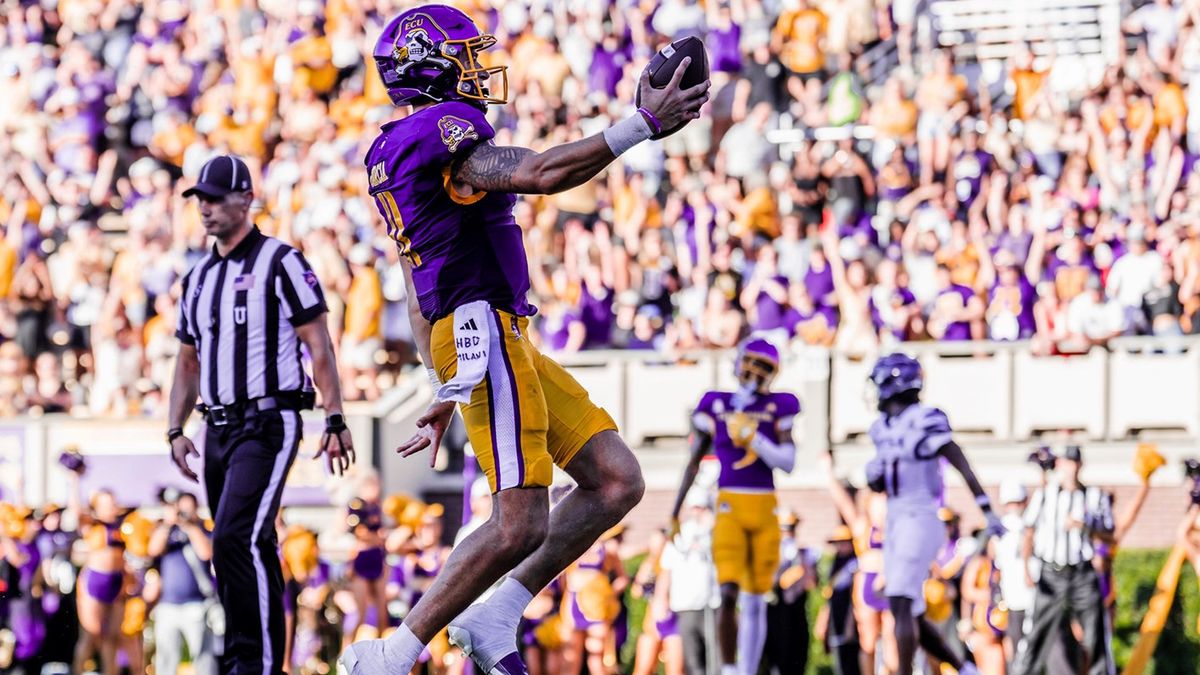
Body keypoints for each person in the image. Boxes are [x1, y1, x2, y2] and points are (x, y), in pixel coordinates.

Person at [341, 5, 707, 674]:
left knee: (616, 479)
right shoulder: (435, 130)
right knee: (520, 522)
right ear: (429, 65)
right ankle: (392, 652)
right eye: (466, 54)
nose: (480, 67)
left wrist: (444, 381)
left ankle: (497, 607)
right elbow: (538, 174)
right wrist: (640, 127)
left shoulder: (403, 147)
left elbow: (414, 283)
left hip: (491, 335)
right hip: (482, 328)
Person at [167, 154, 355, 674]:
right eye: (199, 199)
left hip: (269, 420)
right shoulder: (198, 276)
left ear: (246, 198)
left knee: (234, 537)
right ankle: (259, 660)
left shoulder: (280, 260)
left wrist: (335, 418)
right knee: (245, 543)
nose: (205, 209)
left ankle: (252, 664)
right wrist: (175, 428)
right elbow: (187, 359)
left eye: (216, 198)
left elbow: (318, 343)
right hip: (216, 424)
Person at [670, 336, 801, 675]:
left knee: (756, 598)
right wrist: (674, 510)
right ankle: (729, 669)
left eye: (764, 366)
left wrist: (754, 437)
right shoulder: (716, 402)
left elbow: (788, 462)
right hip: (728, 503)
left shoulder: (779, 405)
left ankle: (747, 668)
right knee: (727, 591)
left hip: (765, 506)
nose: (755, 372)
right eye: (752, 362)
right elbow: (693, 461)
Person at [864, 352, 1001, 675]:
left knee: (899, 601)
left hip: (920, 514)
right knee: (908, 609)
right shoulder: (882, 428)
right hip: (897, 519)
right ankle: (965, 668)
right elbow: (879, 482)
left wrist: (985, 507)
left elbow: (958, 458)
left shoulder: (925, 419)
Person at [1011, 445, 1115, 675]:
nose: (1071, 468)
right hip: (1052, 571)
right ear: (1059, 465)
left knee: (1095, 633)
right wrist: (1027, 569)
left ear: (1081, 465)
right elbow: (1028, 531)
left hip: (1082, 573)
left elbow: (1110, 536)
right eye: (1067, 462)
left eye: (1075, 462)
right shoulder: (1045, 495)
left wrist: (1084, 527)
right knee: (1037, 631)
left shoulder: (1094, 496)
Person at [145, 489, 218, 675]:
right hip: (167, 604)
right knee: (167, 657)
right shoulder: (167, 531)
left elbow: (206, 553)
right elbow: (152, 550)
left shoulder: (203, 530)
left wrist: (190, 526)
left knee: (202, 656)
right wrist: (168, 524)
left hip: (197, 604)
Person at [765, 509, 818, 675]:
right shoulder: (770, 555)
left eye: (791, 529)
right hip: (776, 615)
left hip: (796, 615)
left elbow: (812, 583)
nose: (787, 534)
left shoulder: (803, 555)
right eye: (784, 530)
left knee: (797, 657)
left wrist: (801, 565)